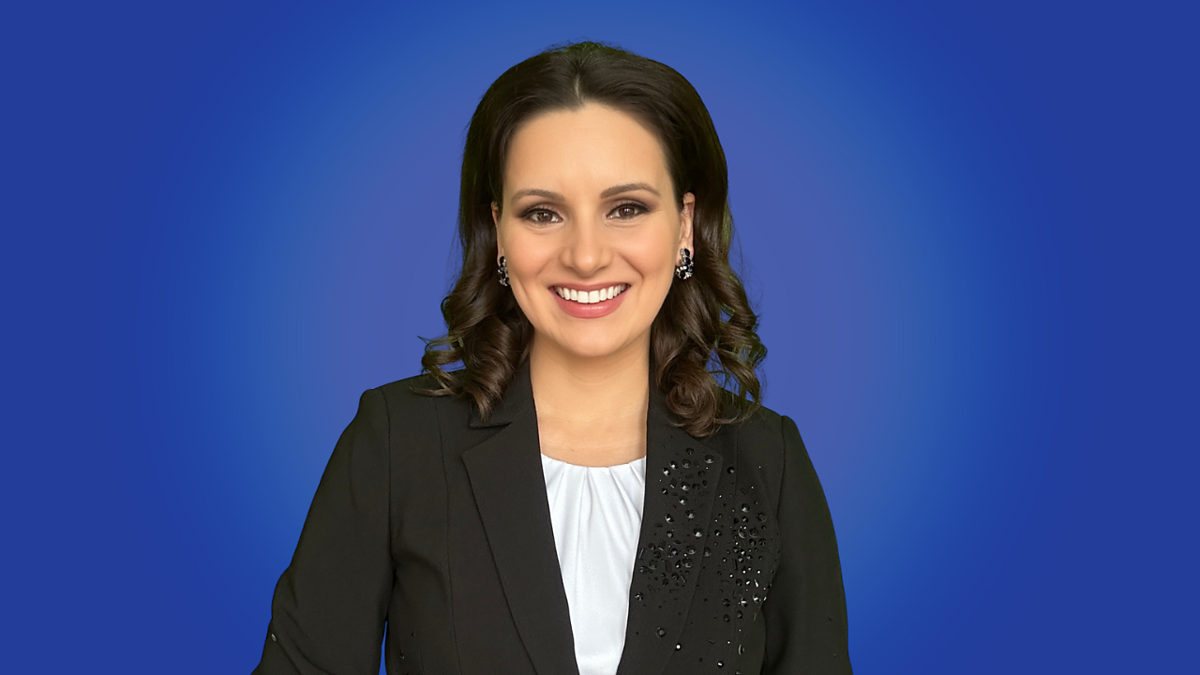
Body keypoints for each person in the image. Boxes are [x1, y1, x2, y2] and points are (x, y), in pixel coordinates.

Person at [252, 41, 851, 675]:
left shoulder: (767, 462)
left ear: (684, 224)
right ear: (499, 231)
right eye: (543, 213)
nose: (586, 257)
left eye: (626, 209)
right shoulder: (399, 445)